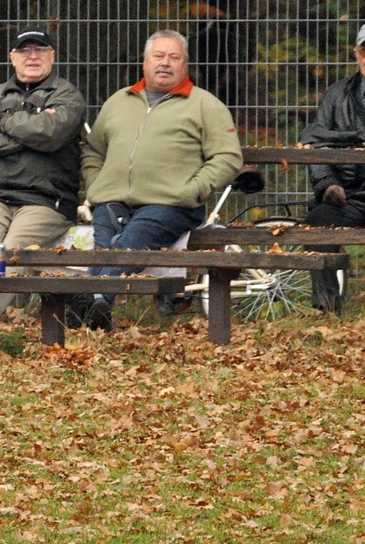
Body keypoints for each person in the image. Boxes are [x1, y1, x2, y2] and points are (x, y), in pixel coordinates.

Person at [78, 29, 242, 330]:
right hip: (112, 199)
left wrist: (192, 190)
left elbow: (228, 157)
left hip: (170, 205)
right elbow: (93, 150)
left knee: (130, 243)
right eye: (159, 56)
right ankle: (96, 308)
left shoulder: (204, 105)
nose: (165, 63)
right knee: (104, 248)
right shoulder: (119, 101)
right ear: (145, 62)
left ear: (185, 65)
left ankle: (93, 301)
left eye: (174, 57)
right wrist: (96, 184)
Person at [0, 28, 86, 326]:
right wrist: (33, 130)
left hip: (46, 200)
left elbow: (52, 134)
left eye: (40, 50)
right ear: (12, 58)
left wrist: (0, 122)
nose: (33, 56)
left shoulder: (67, 94)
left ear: (52, 56)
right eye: (25, 51)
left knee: (14, 250)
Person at [298, 20, 365, 311]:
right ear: (356, 55)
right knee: (317, 221)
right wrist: (327, 184)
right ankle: (326, 307)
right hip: (348, 196)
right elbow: (313, 142)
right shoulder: (336, 94)